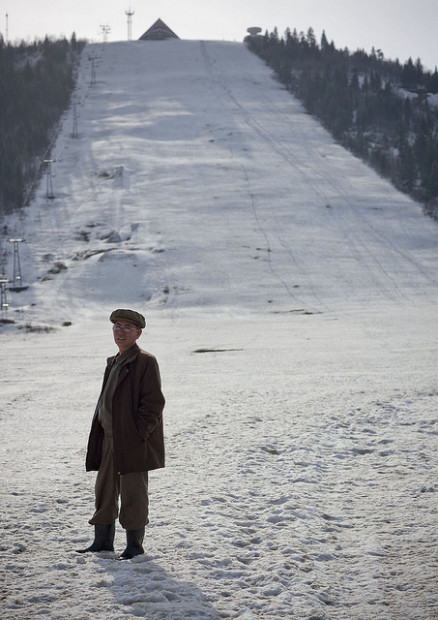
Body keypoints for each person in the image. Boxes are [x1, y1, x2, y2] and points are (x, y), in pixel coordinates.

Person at [77, 308, 165, 560]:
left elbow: (153, 403)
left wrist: (139, 434)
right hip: (108, 439)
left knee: (133, 493)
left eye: (127, 327)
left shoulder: (145, 361)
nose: (120, 331)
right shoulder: (114, 361)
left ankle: (134, 547)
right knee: (104, 490)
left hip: (133, 441)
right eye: (117, 326)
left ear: (138, 333)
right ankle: (103, 542)